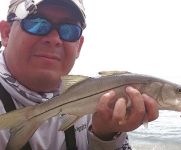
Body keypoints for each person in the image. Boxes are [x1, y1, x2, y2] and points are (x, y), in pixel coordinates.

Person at [0, 0, 159, 149]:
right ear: (6, 33)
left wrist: (106, 136)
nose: (54, 39)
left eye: (69, 30)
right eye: (36, 24)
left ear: (79, 46)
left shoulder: (95, 102)